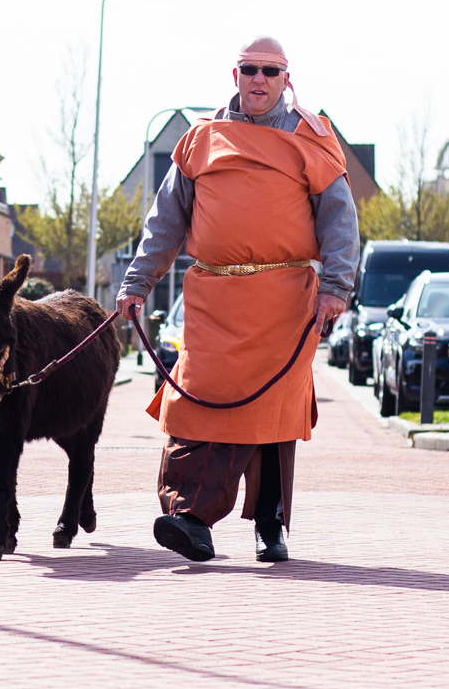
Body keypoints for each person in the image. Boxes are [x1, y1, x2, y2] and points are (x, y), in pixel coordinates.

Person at [116, 37, 359, 563]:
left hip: (284, 304)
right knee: (197, 401)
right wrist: (137, 282)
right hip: (211, 299)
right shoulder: (201, 138)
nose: (259, 78)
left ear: (286, 78)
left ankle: (269, 527)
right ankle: (187, 516)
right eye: (250, 69)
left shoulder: (311, 138)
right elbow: (166, 221)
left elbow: (340, 220)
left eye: (270, 70)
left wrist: (336, 288)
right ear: (235, 74)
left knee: (273, 416)